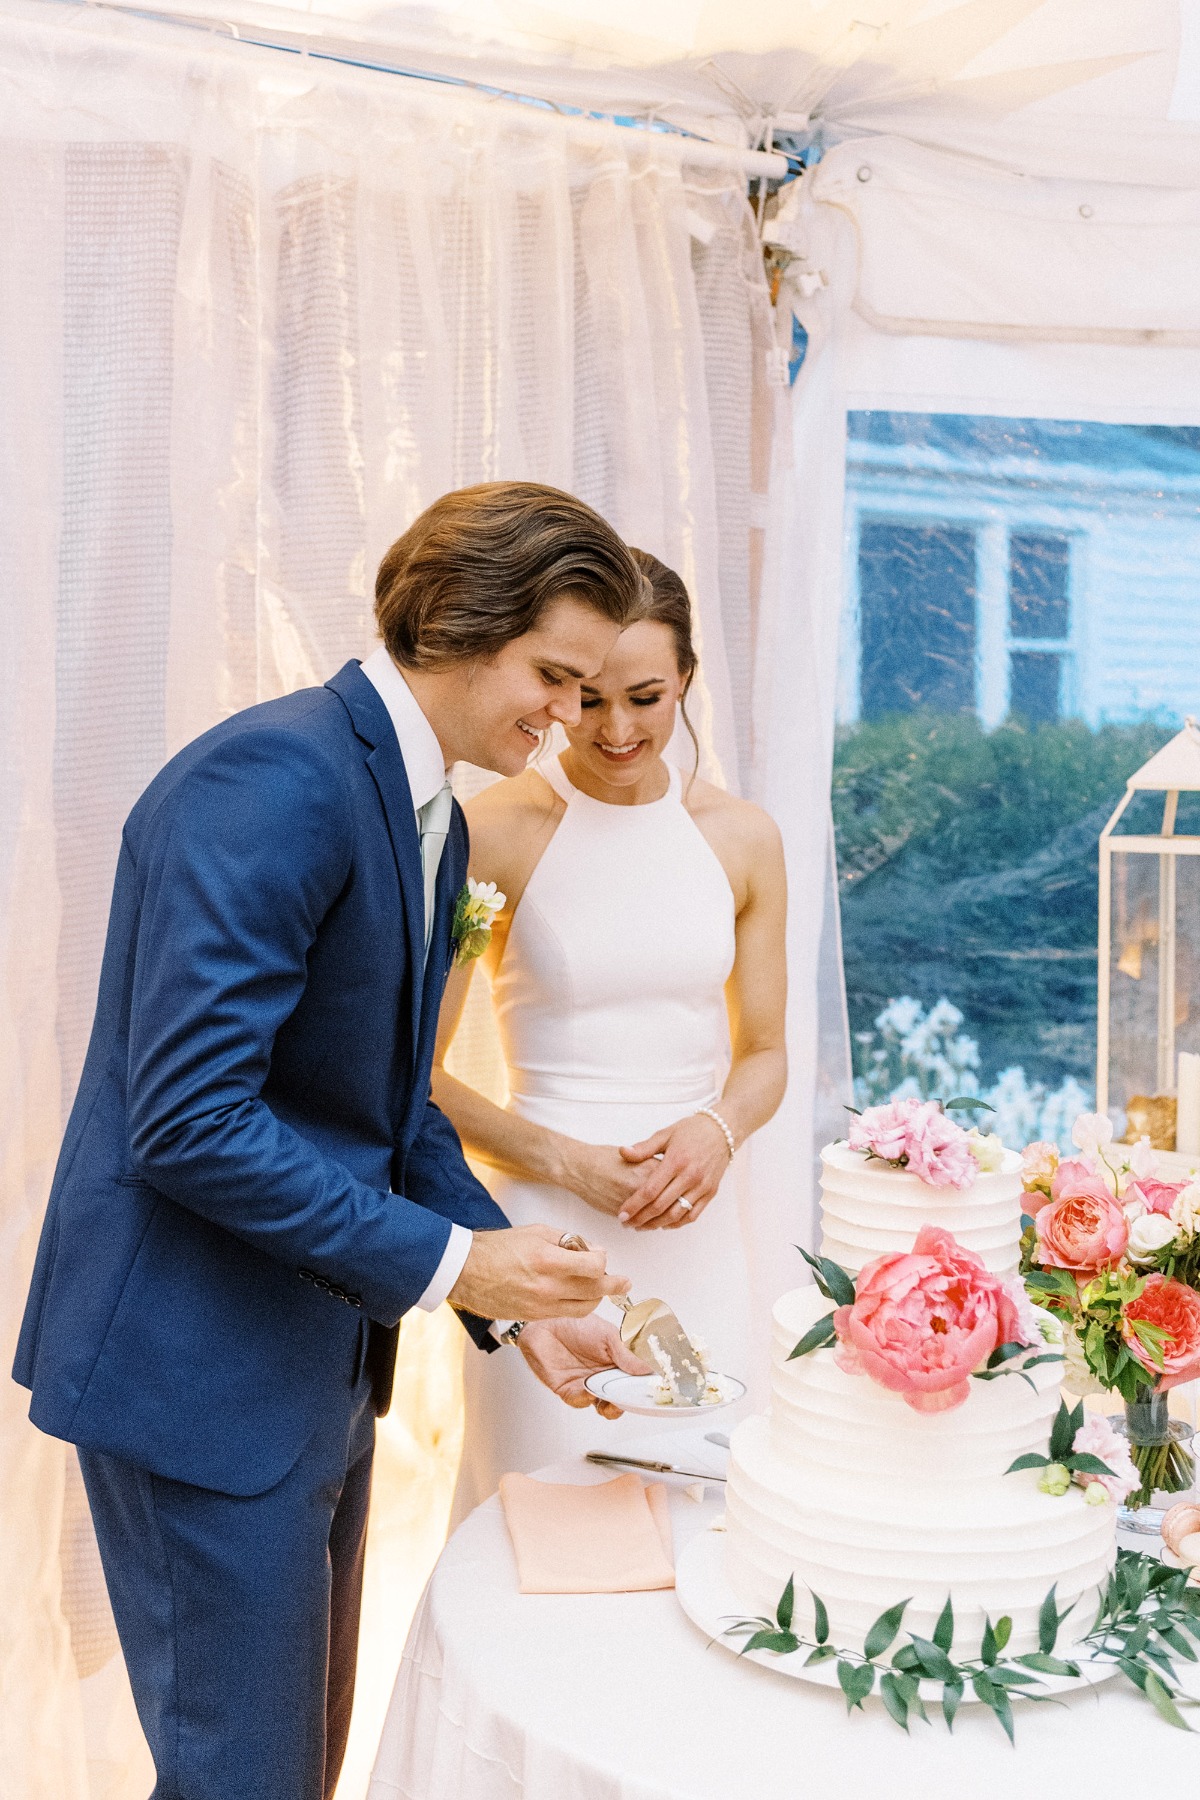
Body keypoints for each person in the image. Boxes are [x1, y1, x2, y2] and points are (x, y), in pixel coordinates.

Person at [12, 483, 653, 1800]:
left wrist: (514, 1298)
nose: (570, 718)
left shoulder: (437, 817)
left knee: (291, 1772)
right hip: (196, 1381)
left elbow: (387, 1108)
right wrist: (454, 1272)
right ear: (464, 626)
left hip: (310, 1376)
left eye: (591, 687)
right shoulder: (275, 777)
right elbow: (187, 1118)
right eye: (555, 675)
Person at [434, 549, 788, 1515]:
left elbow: (764, 1056)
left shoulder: (743, 837)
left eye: (646, 697)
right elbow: (418, 1078)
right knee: (537, 1510)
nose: (616, 729)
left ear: (686, 684)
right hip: (545, 1237)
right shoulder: (493, 829)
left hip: (696, 1224)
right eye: (586, 698)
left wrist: (715, 1133)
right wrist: (570, 1164)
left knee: (704, 1508)